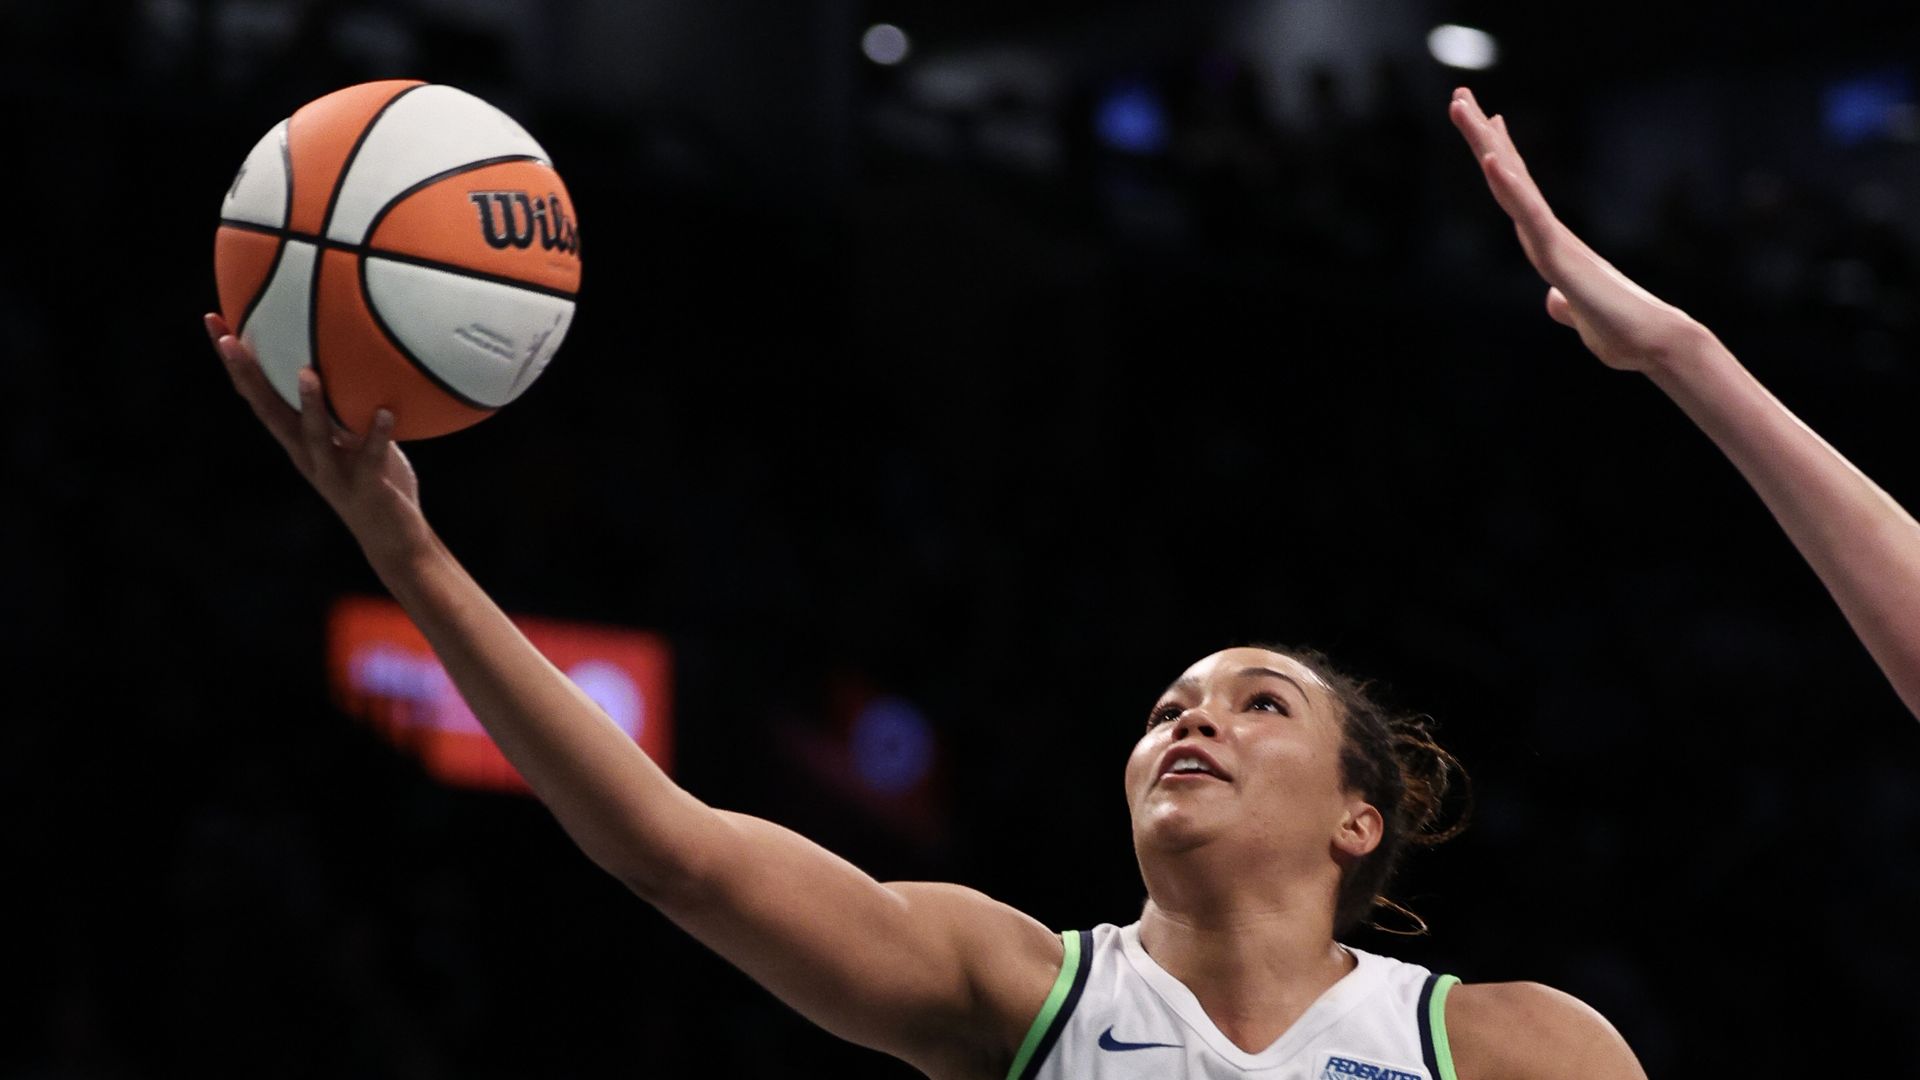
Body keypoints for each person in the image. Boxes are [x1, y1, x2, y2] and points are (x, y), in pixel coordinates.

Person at [198, 86, 1920, 1078]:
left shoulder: (1521, 1051)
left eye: (1260, 705)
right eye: (1173, 700)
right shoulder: (1023, 993)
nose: (1194, 718)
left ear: (1357, 821)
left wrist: (1684, 349)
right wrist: (407, 551)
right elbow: (672, 851)